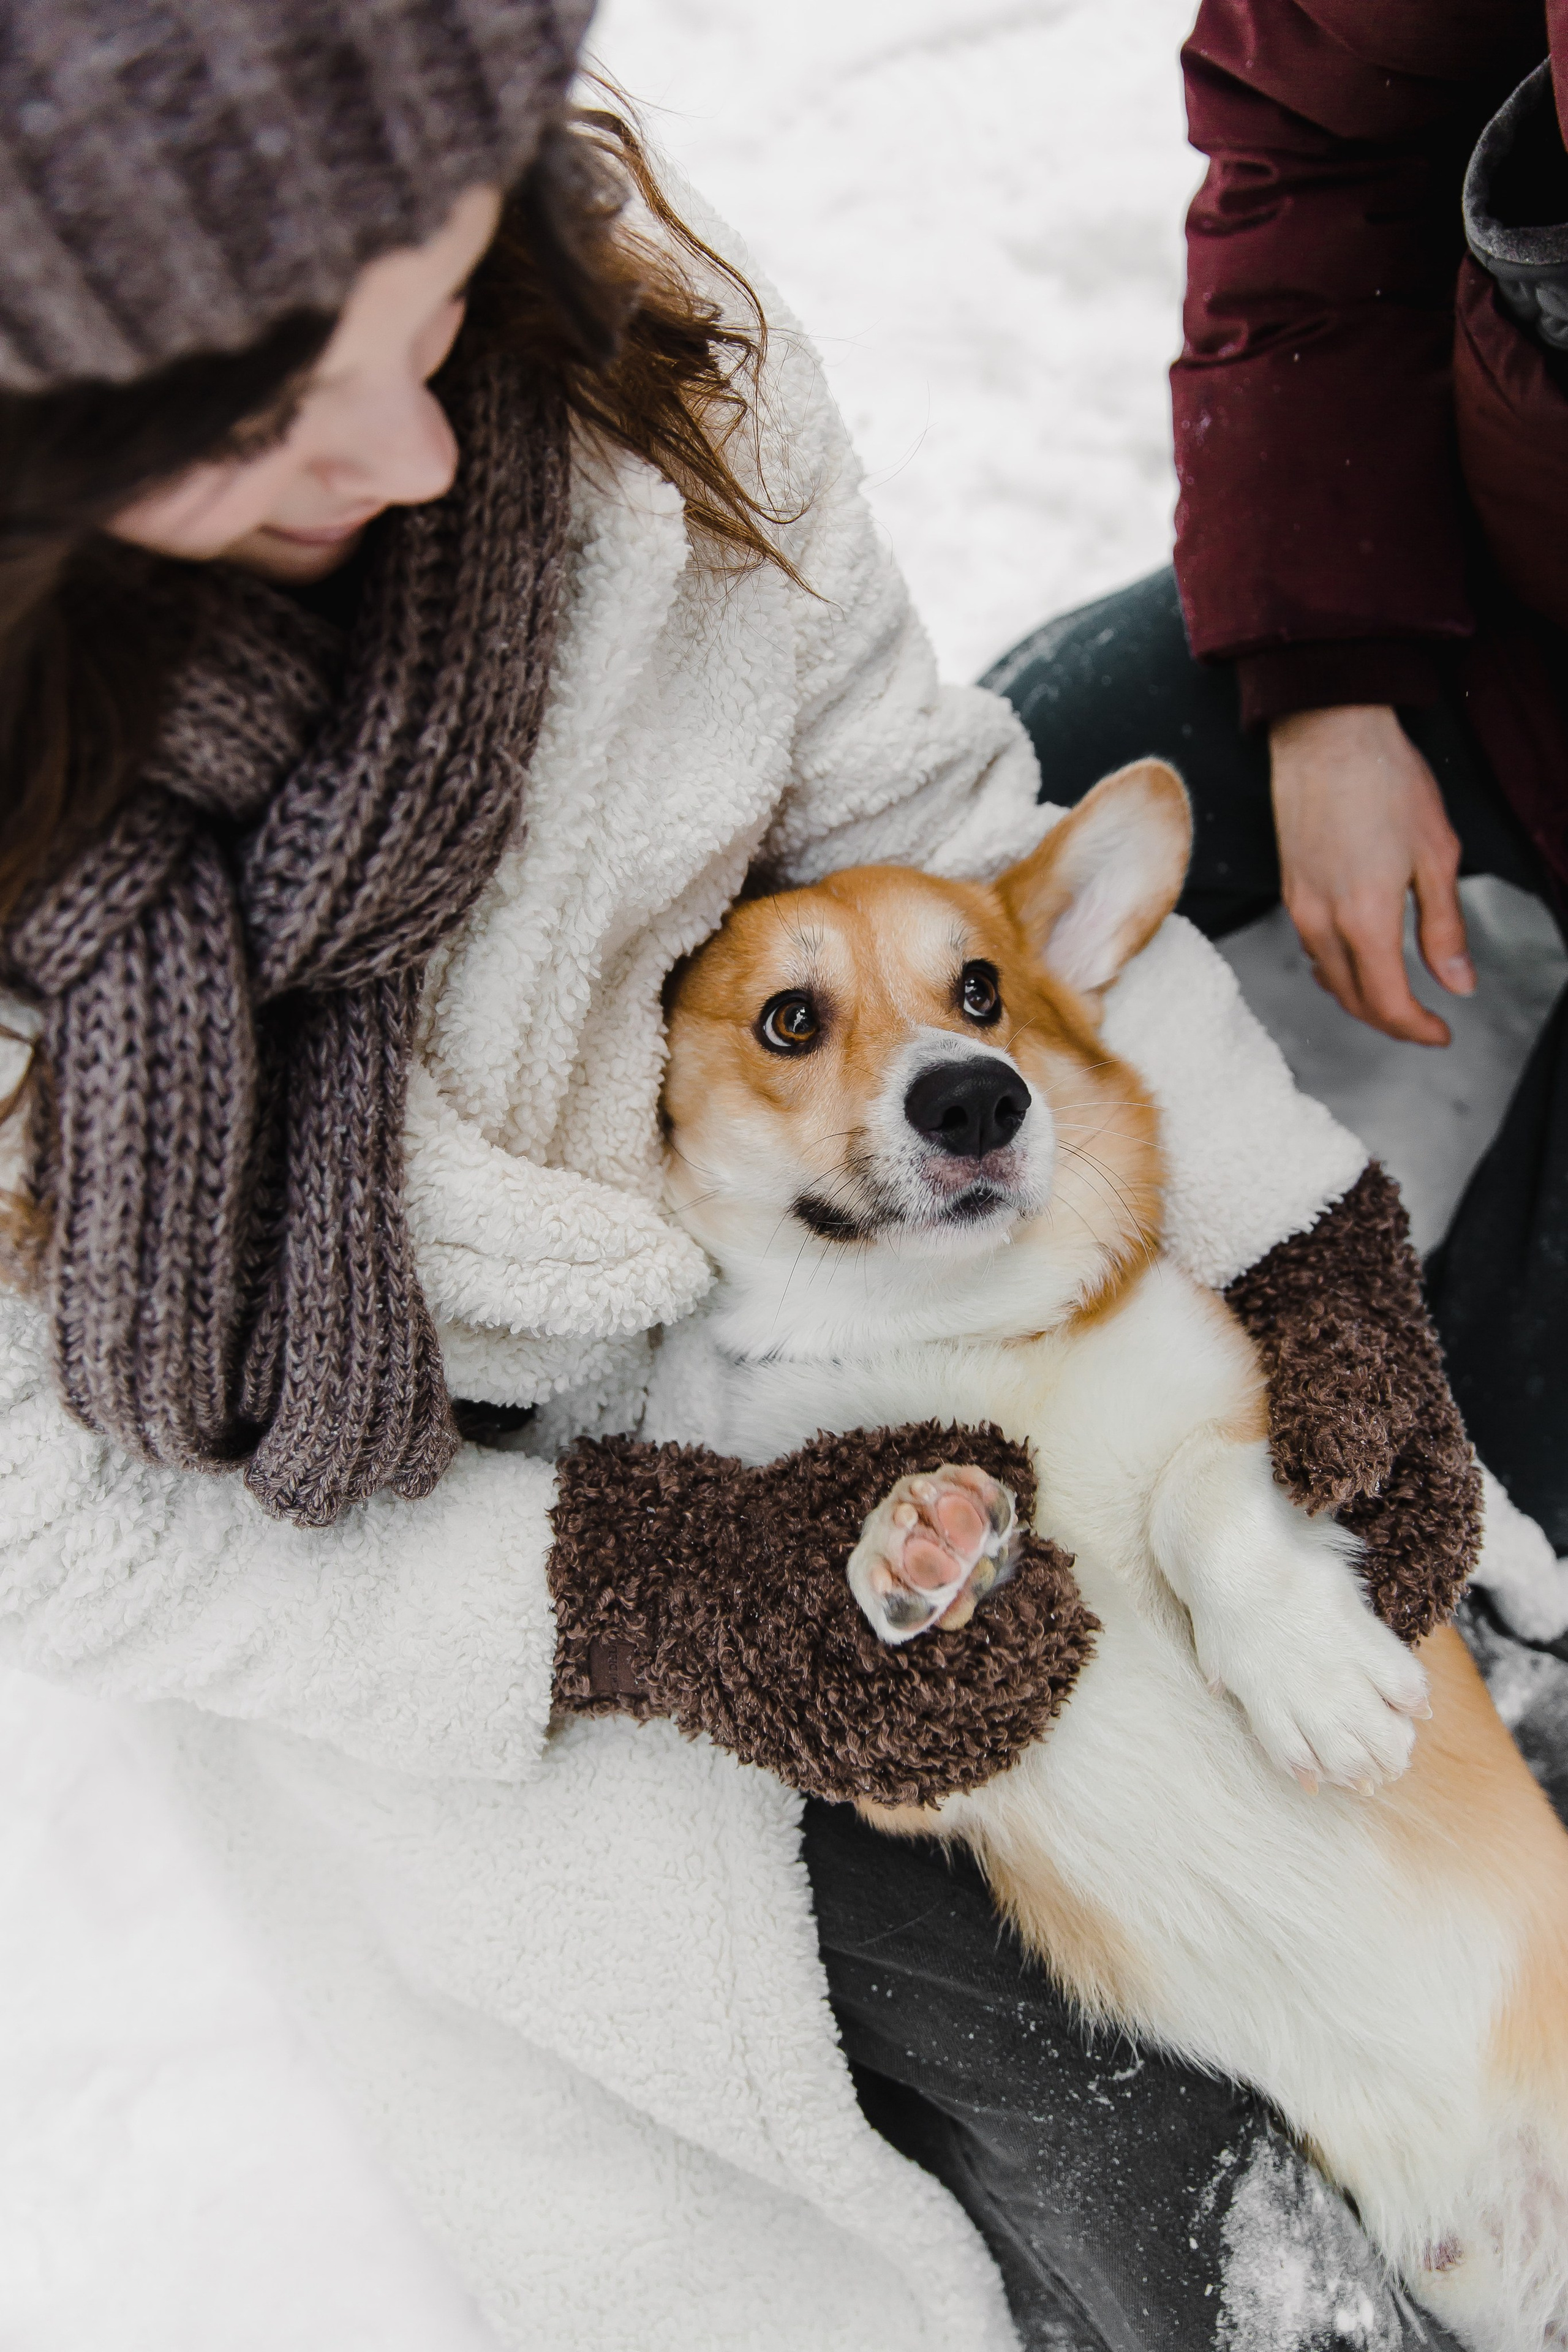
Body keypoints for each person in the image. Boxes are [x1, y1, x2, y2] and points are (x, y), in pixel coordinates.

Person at [0, 6, 1493, 2348]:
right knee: (1094, 2074)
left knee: (1325, 1726)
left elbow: (926, 823)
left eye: (438, 294)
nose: (420, 446)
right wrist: (647, 1593)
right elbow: (57, 1512)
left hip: (863, 1277)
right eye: (268, 415)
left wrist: (1298, 1251)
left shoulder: (632, 354)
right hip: (434, 1538)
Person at [986, 0, 1568, 1570]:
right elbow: (1319, 134)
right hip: (1502, 611)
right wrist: (1324, 675)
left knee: (1499, 1485)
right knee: (988, 791)